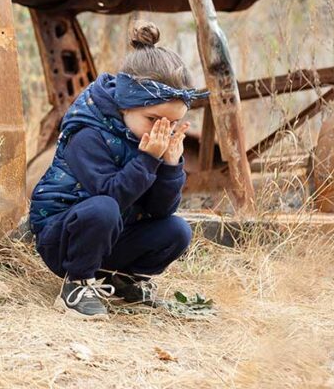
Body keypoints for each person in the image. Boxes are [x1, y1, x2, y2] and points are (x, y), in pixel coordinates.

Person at [30, 21, 207, 319]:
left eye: (172, 124)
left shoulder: (146, 138)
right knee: (104, 208)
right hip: (65, 237)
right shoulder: (88, 134)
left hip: (112, 236)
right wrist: (148, 160)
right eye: (154, 120)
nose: (163, 131)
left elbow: (160, 211)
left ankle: (123, 278)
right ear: (126, 105)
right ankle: (76, 285)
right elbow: (110, 195)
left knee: (177, 230)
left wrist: (170, 167)